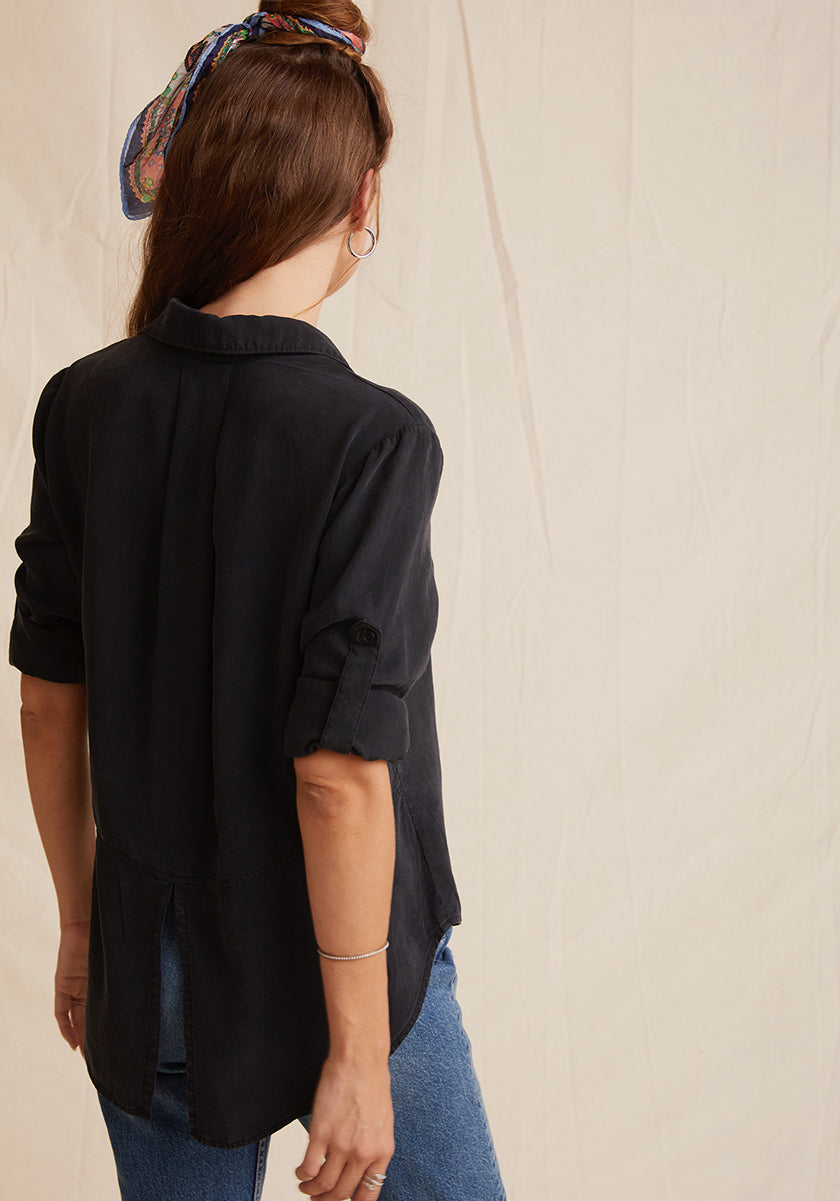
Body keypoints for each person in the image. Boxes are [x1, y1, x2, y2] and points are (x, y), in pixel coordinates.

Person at [8, 5, 508, 1200]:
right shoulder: (374, 440)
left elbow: (46, 703)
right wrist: (353, 1052)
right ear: (362, 196)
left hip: (157, 958)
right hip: (360, 970)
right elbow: (336, 770)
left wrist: (82, 927)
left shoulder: (84, 405)